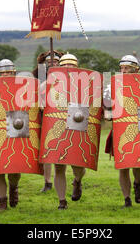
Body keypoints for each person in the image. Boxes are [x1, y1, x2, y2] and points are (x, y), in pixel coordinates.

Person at [106, 55, 140, 207]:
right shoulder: (112, 86)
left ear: (136, 69)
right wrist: (107, 112)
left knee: (139, 162)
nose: (123, 71)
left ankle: (136, 183)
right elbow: (106, 104)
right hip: (121, 128)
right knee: (123, 166)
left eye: (127, 68)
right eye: (121, 68)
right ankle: (127, 198)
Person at [52, 53, 86, 209]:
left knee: (77, 165)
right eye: (64, 65)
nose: (67, 68)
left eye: (71, 65)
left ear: (76, 67)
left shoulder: (85, 84)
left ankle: (77, 181)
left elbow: (94, 105)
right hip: (58, 127)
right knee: (59, 167)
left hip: (77, 127)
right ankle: (62, 201)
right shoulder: (48, 84)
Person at [0, 59, 22, 211]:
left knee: (15, 169)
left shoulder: (23, 88)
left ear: (14, 72)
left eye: (8, 72)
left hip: (17, 130)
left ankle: (13, 187)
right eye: (3, 72)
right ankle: (2, 202)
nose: (6, 74)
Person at [34, 50, 63, 193]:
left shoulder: (67, 77)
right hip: (43, 115)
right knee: (45, 149)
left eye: (55, 61)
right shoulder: (39, 77)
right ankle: (47, 181)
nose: (52, 64)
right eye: (49, 62)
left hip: (62, 116)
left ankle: (72, 179)